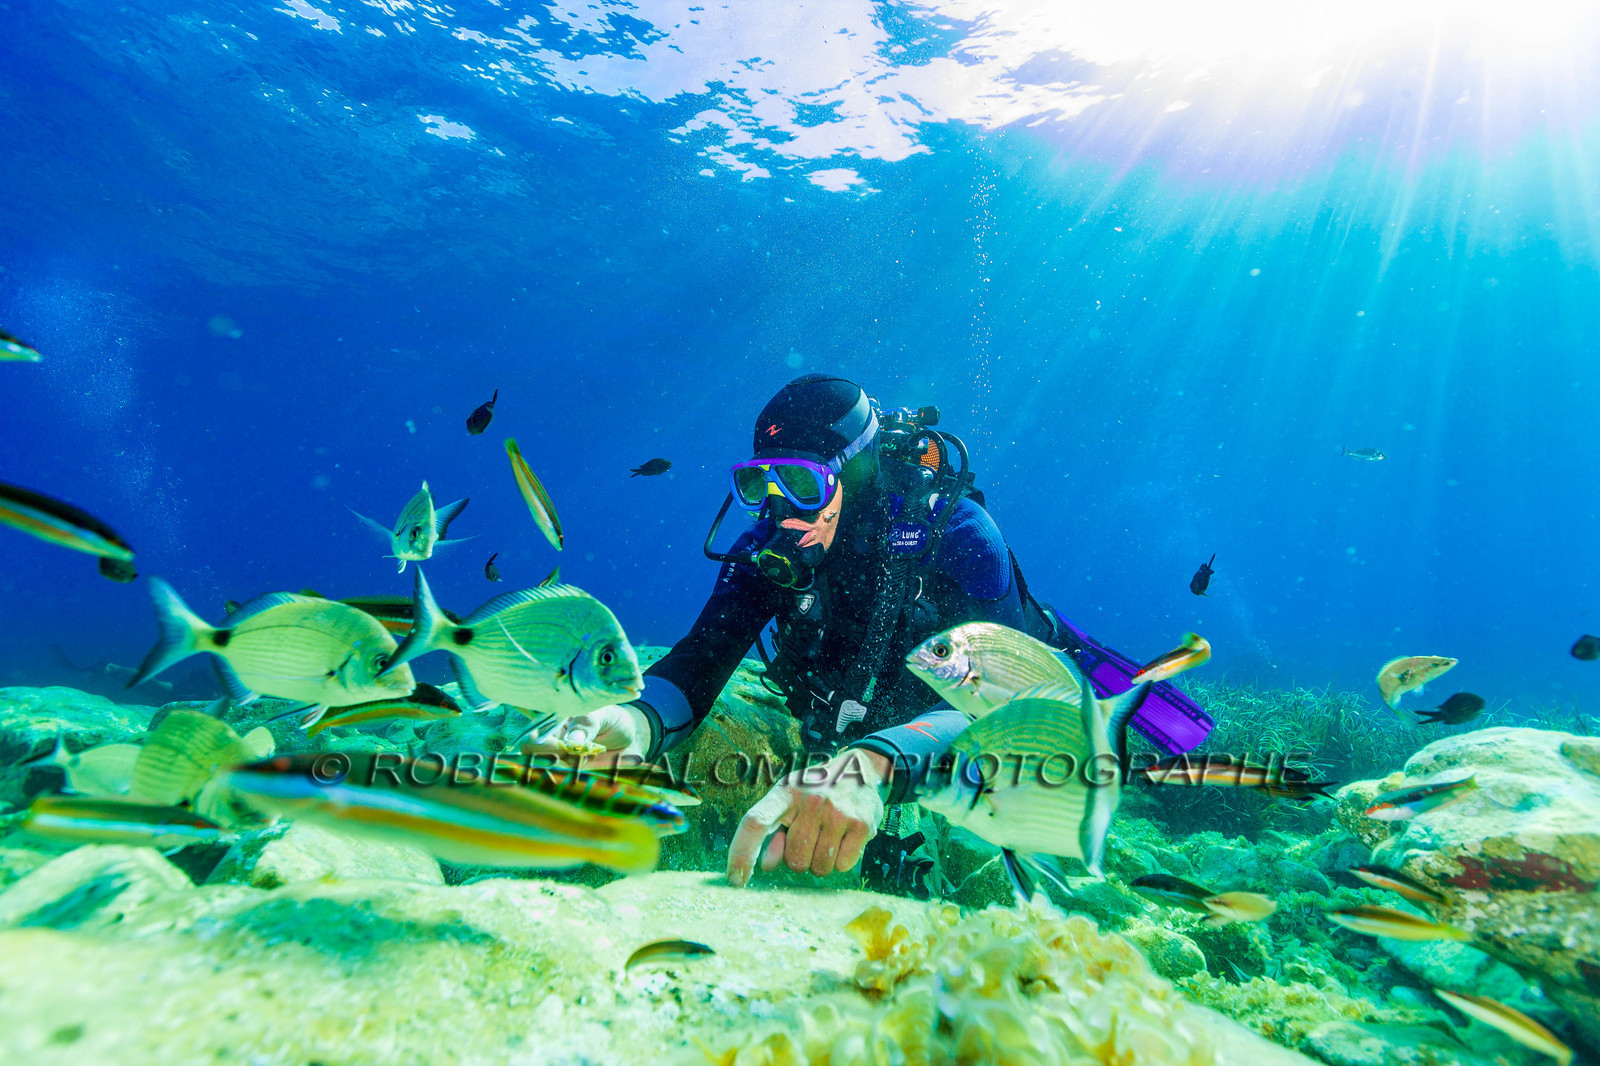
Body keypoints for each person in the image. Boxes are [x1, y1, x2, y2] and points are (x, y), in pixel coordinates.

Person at [548, 374, 1211, 892]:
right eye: (760, 482)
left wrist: (868, 765)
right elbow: (700, 659)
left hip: (987, 687)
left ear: (855, 471)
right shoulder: (768, 547)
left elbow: (1002, 706)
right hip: (868, 713)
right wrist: (632, 720)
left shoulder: (958, 537)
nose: (779, 509)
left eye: (802, 482)